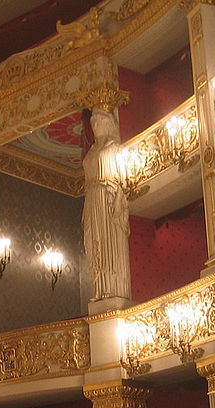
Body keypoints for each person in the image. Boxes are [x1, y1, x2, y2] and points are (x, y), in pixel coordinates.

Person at [82, 109, 132, 302]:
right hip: (93, 198)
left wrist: (119, 198)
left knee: (108, 241)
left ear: (108, 123)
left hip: (107, 196)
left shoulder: (114, 147)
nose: (95, 126)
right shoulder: (92, 151)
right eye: (93, 123)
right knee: (95, 243)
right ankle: (100, 289)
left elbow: (123, 181)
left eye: (99, 122)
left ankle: (113, 287)